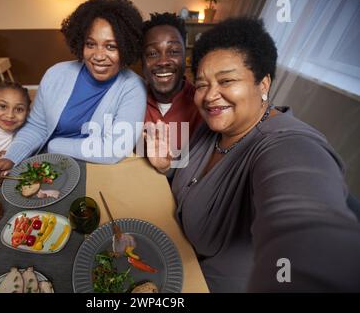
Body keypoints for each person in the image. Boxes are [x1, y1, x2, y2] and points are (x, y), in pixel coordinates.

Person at [147, 17, 360, 292]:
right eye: (201, 84)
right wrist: (168, 166)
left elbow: (305, 219)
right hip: (172, 254)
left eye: (227, 80)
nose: (210, 95)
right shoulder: (214, 126)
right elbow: (190, 180)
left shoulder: (287, 145)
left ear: (263, 84)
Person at [0, 0, 146, 187]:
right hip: (47, 168)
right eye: (90, 44)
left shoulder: (133, 88)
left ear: (126, 48)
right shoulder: (56, 74)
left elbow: (113, 150)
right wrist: (11, 158)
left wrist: (54, 146)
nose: (99, 56)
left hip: (95, 173)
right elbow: (37, 126)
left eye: (111, 46)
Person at [142, 12, 201, 150]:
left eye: (173, 51)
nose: (163, 62)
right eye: (152, 53)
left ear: (185, 56)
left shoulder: (202, 104)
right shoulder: (130, 100)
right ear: (142, 61)